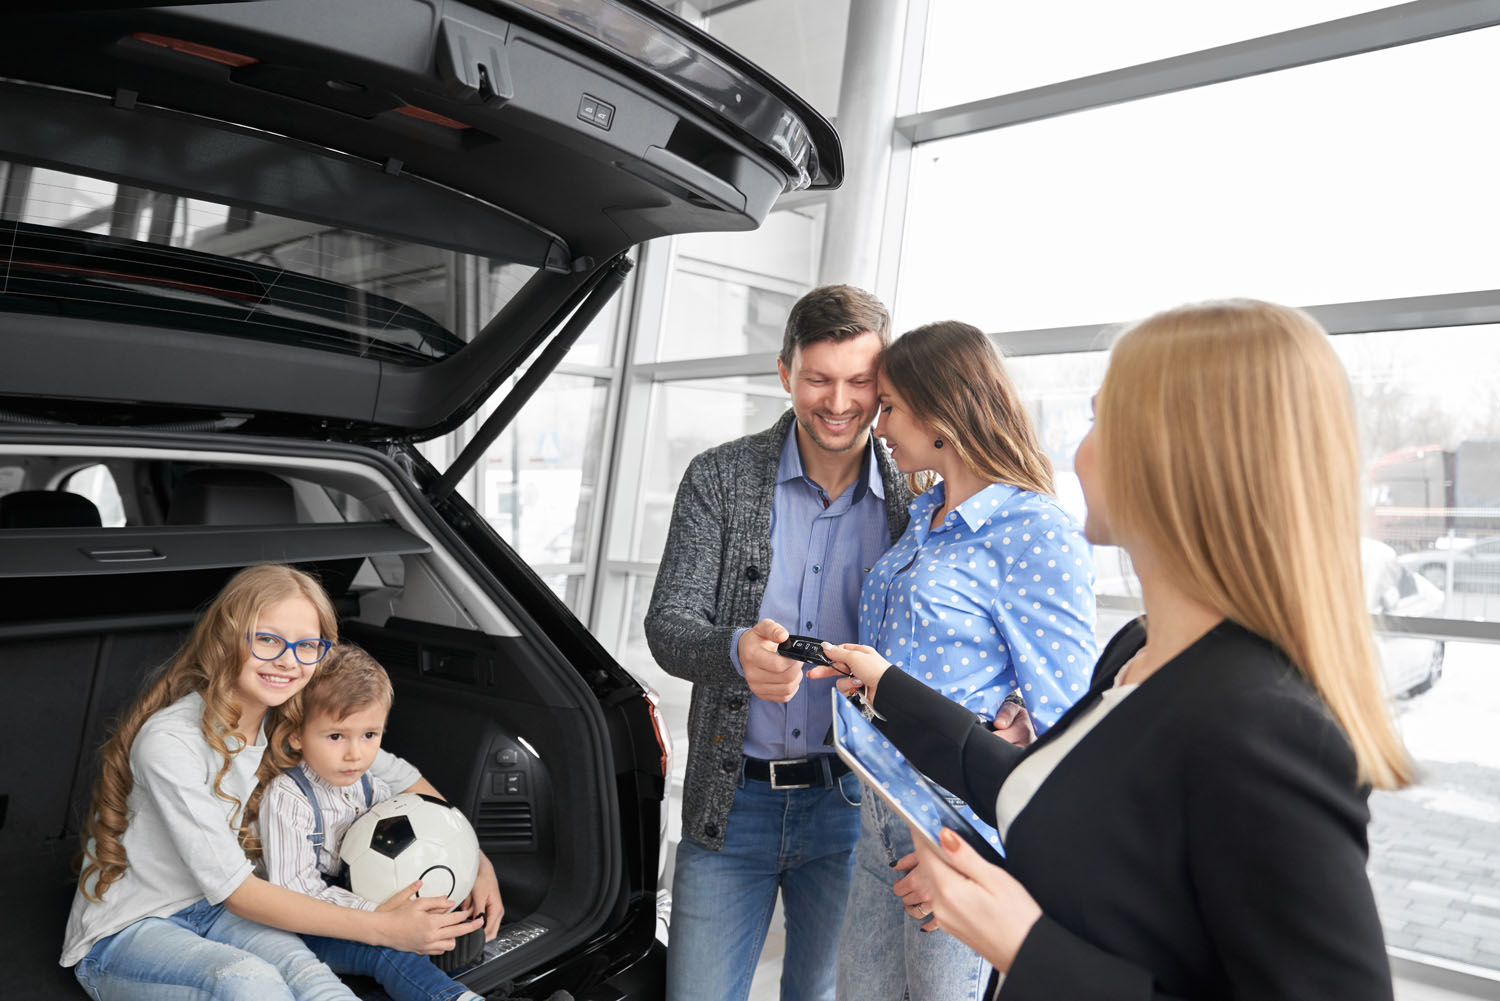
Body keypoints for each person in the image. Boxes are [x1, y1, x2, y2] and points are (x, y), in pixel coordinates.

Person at [814, 299, 1414, 1000]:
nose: (1076, 450)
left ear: (1176, 456)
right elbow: (1031, 782)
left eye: (1100, 420)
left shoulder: (1267, 724)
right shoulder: (1139, 652)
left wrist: (1023, 940)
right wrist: (887, 684)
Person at [62, 564, 502, 1001]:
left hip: (219, 913)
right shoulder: (171, 742)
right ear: (227, 638)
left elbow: (408, 783)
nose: (288, 661)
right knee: (250, 982)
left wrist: (476, 861)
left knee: (313, 981)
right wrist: (385, 929)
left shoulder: (294, 721)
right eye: (268, 640)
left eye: (307, 645)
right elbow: (238, 891)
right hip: (132, 931)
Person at [644, 284, 912, 1001]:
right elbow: (668, 625)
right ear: (785, 371)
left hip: (854, 807)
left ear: (883, 383)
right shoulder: (720, 479)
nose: (839, 400)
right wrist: (736, 652)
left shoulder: (916, 497)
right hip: (731, 807)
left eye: (860, 380)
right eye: (819, 378)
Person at [832, 321, 1096, 1001]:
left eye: (889, 405)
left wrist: (976, 850)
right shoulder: (924, 514)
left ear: (942, 408)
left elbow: (1071, 728)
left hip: (956, 823)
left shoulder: (1035, 531)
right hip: (878, 811)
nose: (877, 422)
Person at [260, 644, 486, 1001]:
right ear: (296, 735)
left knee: (454, 931)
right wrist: (381, 918)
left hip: (365, 903)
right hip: (311, 926)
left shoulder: (373, 787)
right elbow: (295, 892)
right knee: (387, 950)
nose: (356, 753)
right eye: (336, 736)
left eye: (370, 735)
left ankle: (454, 980)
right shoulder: (288, 798)